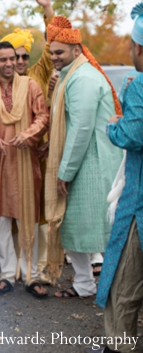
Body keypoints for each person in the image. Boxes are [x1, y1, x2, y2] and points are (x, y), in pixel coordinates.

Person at [44, 16, 123, 298]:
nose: (54, 58)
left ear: (76, 50)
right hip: (86, 161)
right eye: (51, 53)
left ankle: (104, 287)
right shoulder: (74, 75)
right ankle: (87, 284)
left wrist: (64, 171)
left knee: (95, 226)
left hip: (93, 162)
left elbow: (81, 128)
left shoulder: (83, 78)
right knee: (78, 225)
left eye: (60, 52)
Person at [0, 0, 57, 284]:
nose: (17, 62)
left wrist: (47, 10)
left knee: (38, 211)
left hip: (36, 153)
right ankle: (13, 269)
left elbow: (54, 40)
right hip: (4, 156)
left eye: (23, 57)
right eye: (11, 56)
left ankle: (37, 269)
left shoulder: (37, 75)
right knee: (8, 210)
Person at [0, 41, 49, 298]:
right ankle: (7, 274)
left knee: (27, 215)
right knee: (1, 218)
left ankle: (31, 275)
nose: (9, 63)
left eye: (12, 58)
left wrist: (28, 135)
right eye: (3, 60)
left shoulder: (31, 86)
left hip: (25, 160)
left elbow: (42, 116)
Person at [94, 2, 143, 353]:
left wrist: (114, 126)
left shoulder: (139, 85)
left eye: (130, 45)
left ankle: (118, 347)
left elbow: (132, 136)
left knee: (124, 286)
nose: (129, 50)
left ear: (139, 48)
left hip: (139, 205)